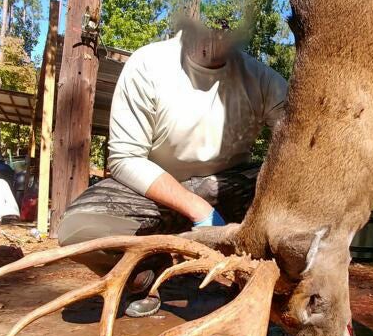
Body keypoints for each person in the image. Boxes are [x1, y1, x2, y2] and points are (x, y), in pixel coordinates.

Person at [58, 17, 288, 316]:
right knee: (78, 231)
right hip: (156, 191)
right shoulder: (148, 63)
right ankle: (145, 271)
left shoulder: (262, 78)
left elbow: (299, 139)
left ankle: (256, 283)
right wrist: (199, 210)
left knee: (294, 192)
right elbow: (125, 157)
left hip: (229, 187)